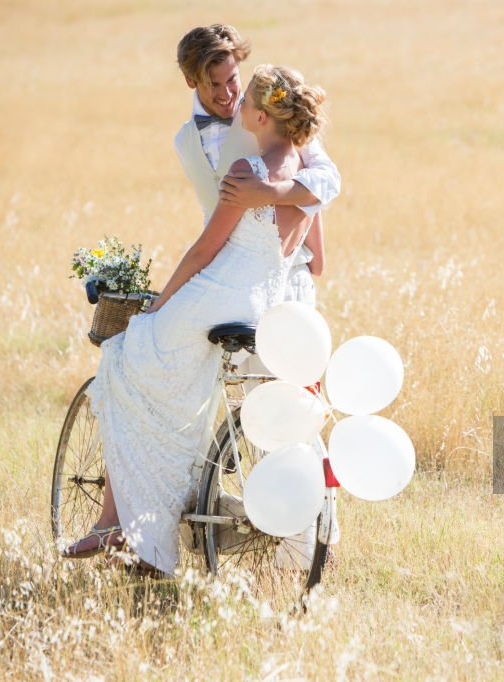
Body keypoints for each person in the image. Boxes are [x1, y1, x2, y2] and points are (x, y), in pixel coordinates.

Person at [62, 64, 330, 576]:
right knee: (172, 388)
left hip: (215, 295)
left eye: (245, 97)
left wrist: (163, 302)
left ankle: (126, 527)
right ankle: (145, 521)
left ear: (257, 114)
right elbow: (315, 257)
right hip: (260, 305)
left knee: (122, 354)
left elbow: (206, 250)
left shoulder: (246, 172)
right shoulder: (310, 179)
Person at [172, 24, 337, 305]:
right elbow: (211, 209)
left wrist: (269, 192)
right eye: (214, 84)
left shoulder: (273, 113)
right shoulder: (184, 141)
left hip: (286, 278)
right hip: (229, 286)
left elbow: (328, 179)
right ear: (191, 81)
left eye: (232, 79)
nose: (227, 94)